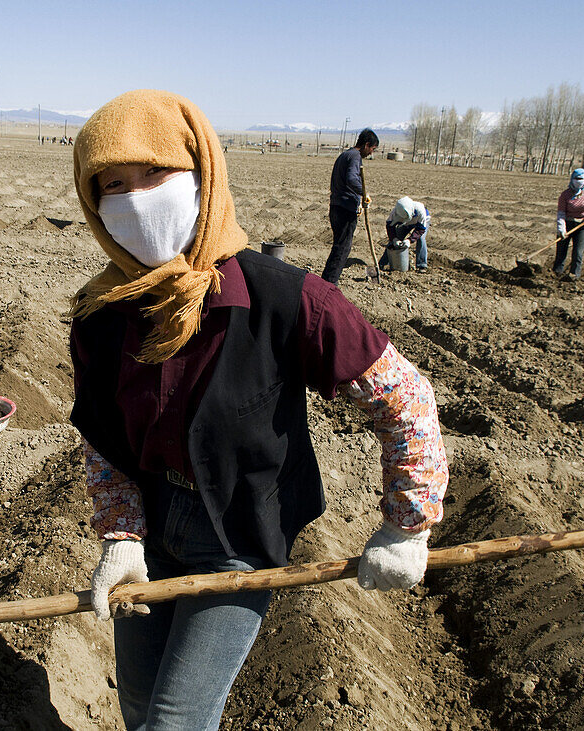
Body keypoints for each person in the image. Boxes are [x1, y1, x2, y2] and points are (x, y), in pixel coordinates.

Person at [69, 90, 448, 730]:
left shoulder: (286, 299)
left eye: (155, 174)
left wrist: (407, 525)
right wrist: (122, 536)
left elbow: (404, 397)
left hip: (239, 535)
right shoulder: (104, 318)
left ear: (201, 173)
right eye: (113, 184)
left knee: (175, 721)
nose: (136, 199)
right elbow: (105, 442)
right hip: (152, 530)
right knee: (136, 702)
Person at [321, 129, 379, 284]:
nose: (371, 153)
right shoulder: (355, 156)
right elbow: (352, 179)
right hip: (344, 209)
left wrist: (357, 202)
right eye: (372, 149)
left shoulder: (345, 155)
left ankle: (327, 280)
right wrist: (364, 193)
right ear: (367, 145)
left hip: (337, 206)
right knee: (342, 248)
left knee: (339, 246)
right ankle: (329, 283)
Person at [383, 196, 431, 272]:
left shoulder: (420, 210)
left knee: (421, 239)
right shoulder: (395, 213)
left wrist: (410, 240)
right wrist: (394, 239)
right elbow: (390, 226)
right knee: (394, 241)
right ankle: (384, 263)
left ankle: (422, 265)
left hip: (419, 222)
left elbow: (421, 229)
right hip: (405, 224)